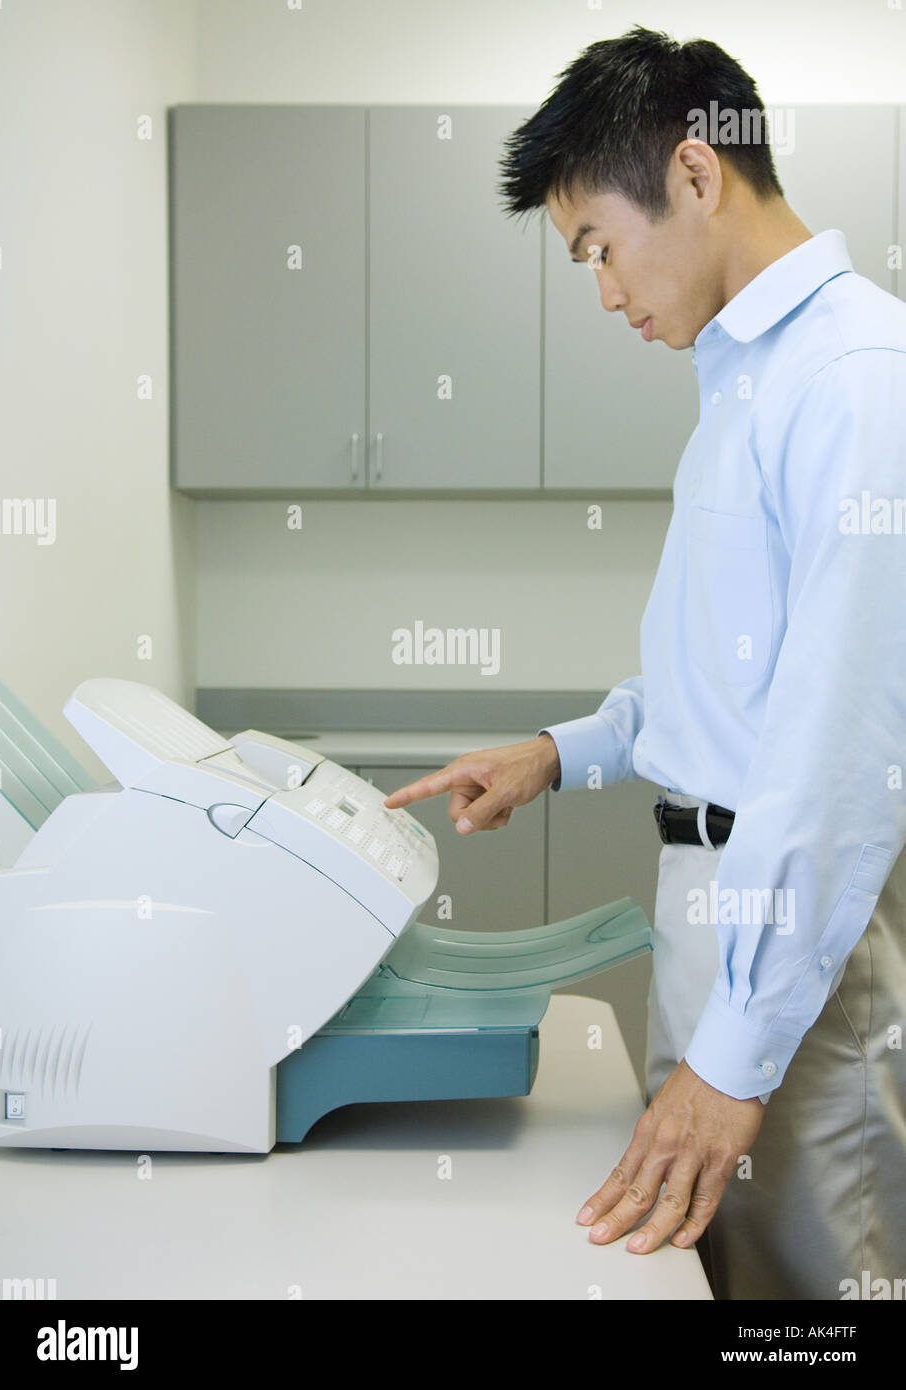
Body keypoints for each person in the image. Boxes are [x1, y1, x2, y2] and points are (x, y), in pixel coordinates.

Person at [383, 25, 906, 1300]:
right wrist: (564, 750)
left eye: (598, 248)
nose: (606, 292)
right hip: (723, 928)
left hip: (798, 960)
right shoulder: (746, 378)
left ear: (692, 171)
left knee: (813, 1310)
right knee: (719, 1294)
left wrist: (732, 1060)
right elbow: (727, 680)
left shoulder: (854, 384)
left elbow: (839, 762)